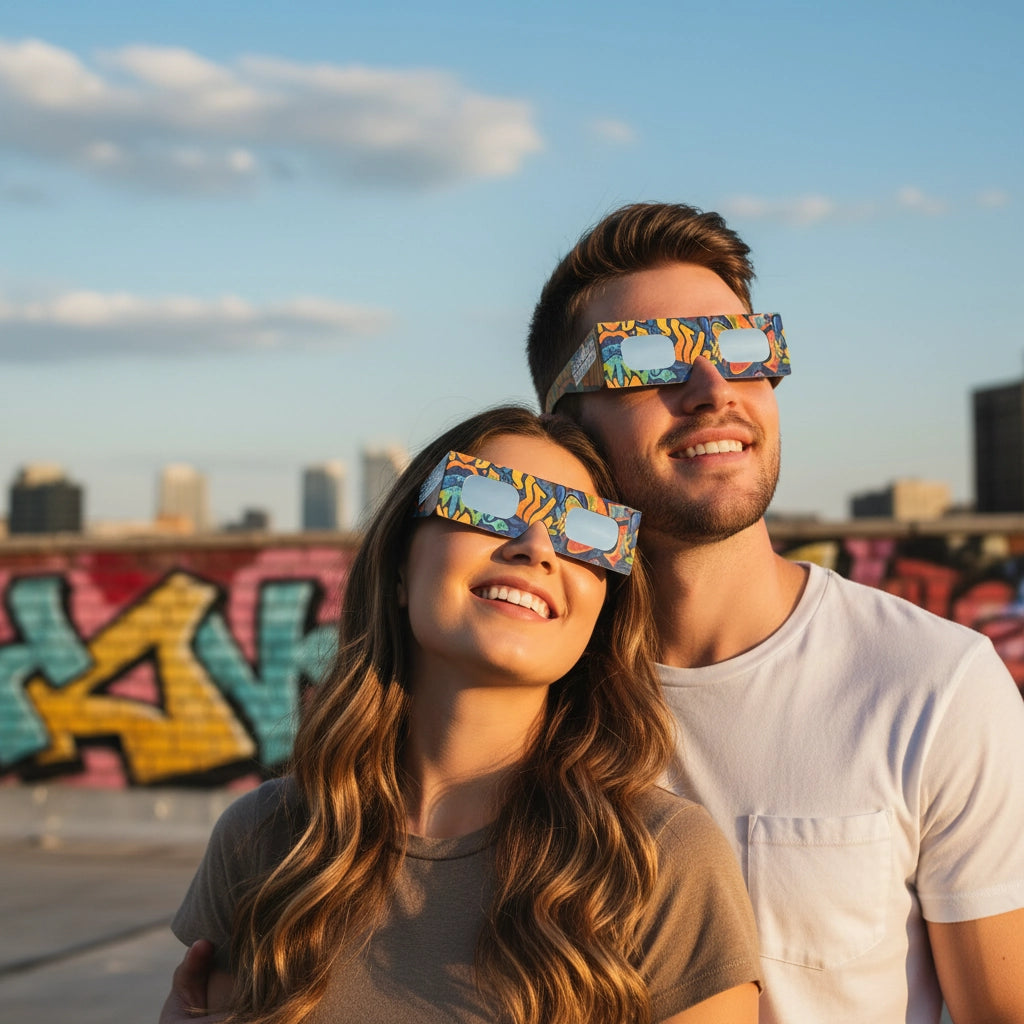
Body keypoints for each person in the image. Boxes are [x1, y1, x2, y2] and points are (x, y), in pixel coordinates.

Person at [526, 202, 1024, 1024]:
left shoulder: (934, 686)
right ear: (564, 426)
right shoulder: (525, 700)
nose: (713, 389)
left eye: (743, 350)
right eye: (648, 359)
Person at [164, 405, 762, 1024]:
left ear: (603, 607)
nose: (536, 547)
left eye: (586, 531)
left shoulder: (661, 861)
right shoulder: (267, 838)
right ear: (401, 566)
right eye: (487, 503)